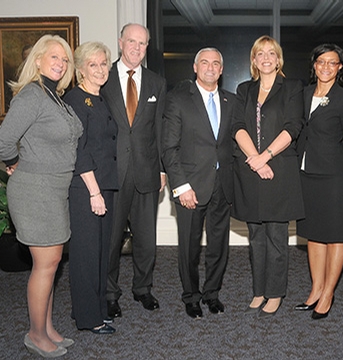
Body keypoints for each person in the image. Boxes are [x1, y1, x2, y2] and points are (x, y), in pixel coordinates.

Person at [0, 34, 82, 358]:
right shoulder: (32, 95)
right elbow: (3, 142)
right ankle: (35, 334)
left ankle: (47, 328)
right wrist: (16, 164)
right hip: (35, 189)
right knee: (45, 264)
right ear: (39, 59)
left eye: (65, 59)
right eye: (54, 57)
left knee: (52, 262)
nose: (60, 63)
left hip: (55, 189)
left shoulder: (54, 96)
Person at [231, 35, 305, 318]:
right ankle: (259, 290)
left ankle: (275, 293)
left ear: (278, 59)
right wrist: (255, 160)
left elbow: (292, 127)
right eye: (259, 53)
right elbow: (237, 126)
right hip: (252, 171)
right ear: (253, 59)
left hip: (279, 172)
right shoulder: (244, 89)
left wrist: (266, 157)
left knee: (276, 237)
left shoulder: (292, 88)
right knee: (256, 237)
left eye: (270, 53)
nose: (265, 57)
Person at [100, 23, 167, 320]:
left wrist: (163, 169)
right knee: (111, 240)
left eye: (142, 43)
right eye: (132, 41)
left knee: (146, 239)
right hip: (112, 174)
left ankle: (143, 289)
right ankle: (109, 294)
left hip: (146, 171)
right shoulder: (102, 78)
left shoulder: (156, 82)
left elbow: (160, 130)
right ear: (120, 42)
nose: (137, 48)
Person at [162, 47, 235, 319]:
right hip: (190, 188)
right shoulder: (178, 99)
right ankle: (191, 296)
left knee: (219, 246)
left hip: (222, 186)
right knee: (189, 248)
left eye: (216, 63)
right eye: (204, 62)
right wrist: (181, 186)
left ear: (221, 69)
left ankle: (212, 293)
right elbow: (169, 147)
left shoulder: (231, 100)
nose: (210, 67)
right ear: (195, 67)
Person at [294, 43, 343, 320]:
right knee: (313, 234)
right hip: (305, 174)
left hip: (333, 177)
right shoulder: (304, 93)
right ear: (314, 64)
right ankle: (315, 288)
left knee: (334, 235)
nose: (325, 67)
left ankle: (329, 292)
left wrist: (333, 159)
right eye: (321, 61)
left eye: (332, 63)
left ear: (340, 67)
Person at [64, 41, 117, 335]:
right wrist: (94, 192)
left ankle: (95, 309)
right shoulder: (74, 99)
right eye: (92, 65)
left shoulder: (101, 98)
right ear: (80, 69)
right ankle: (88, 318)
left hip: (105, 184)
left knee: (100, 253)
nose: (99, 69)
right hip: (86, 188)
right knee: (85, 254)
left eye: (103, 63)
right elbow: (79, 150)